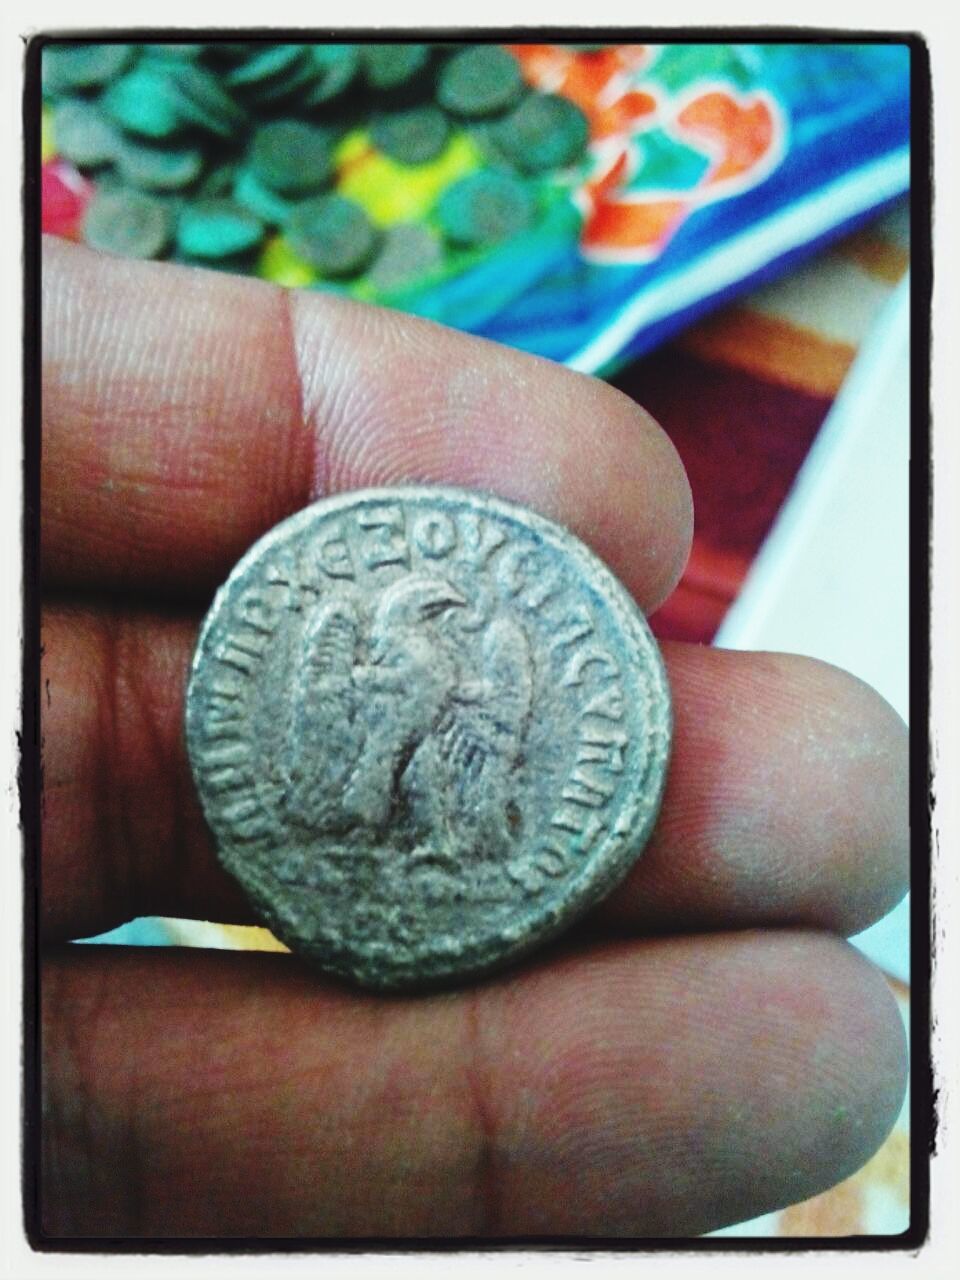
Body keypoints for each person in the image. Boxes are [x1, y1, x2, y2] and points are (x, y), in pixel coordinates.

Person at [37, 233, 909, 1240]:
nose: (446, 619)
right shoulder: (360, 653)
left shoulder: (475, 660)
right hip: (357, 808)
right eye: (430, 614)